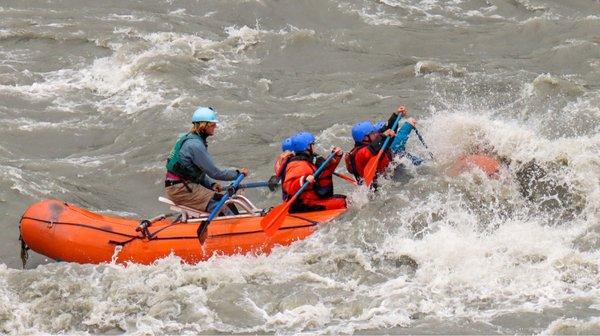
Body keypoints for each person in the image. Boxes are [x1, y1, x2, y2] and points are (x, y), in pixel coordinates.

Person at [165, 106, 249, 216]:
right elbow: (215, 173)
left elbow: (192, 171)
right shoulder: (195, 145)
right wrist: (238, 173)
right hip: (181, 190)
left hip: (182, 185)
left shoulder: (190, 138)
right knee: (223, 207)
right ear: (203, 126)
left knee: (228, 203)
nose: (215, 126)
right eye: (213, 124)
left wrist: (211, 184)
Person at [345, 106, 417, 182]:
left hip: (391, 165)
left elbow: (385, 130)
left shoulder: (372, 139)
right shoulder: (361, 153)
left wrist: (396, 116)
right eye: (373, 132)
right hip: (380, 181)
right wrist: (383, 136)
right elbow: (369, 151)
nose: (376, 133)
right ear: (365, 138)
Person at [282, 132, 347, 213]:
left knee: (345, 200)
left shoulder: (310, 160)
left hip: (313, 200)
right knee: (344, 203)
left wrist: (336, 156)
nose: (314, 146)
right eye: (312, 144)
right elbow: (288, 186)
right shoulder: (298, 164)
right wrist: (303, 180)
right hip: (304, 205)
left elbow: (325, 171)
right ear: (307, 147)